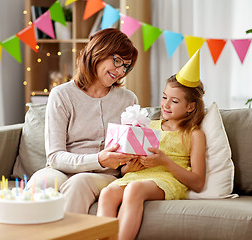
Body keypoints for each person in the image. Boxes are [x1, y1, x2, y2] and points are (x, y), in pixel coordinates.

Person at [97, 50, 206, 240]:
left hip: (167, 179)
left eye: (174, 101)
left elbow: (197, 182)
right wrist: (129, 168)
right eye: (164, 97)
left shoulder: (194, 134)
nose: (166, 105)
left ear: (190, 107)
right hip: (138, 176)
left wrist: (165, 162)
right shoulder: (149, 125)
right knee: (107, 193)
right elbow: (124, 171)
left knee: (134, 189)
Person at [28, 28, 139, 214]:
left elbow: (131, 153)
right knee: (41, 182)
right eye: (117, 61)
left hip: (105, 176)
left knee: (80, 182)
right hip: (61, 170)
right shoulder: (62, 95)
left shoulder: (128, 100)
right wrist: (99, 159)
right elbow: (54, 157)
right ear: (98, 52)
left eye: (126, 66)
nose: (121, 71)